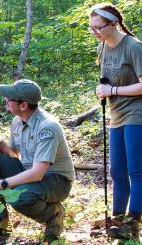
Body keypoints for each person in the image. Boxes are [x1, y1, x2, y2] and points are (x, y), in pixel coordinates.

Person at [0, 79, 74, 242]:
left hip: (56, 180)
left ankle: (54, 214)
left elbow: (37, 174)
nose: (6, 101)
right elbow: (15, 156)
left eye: (9, 99)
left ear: (23, 105)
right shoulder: (17, 121)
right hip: (30, 172)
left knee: (18, 197)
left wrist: (0, 184)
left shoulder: (47, 127)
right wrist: (3, 146)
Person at [91, 3, 142, 241]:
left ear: (113, 24)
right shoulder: (103, 47)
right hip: (116, 115)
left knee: (136, 171)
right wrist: (103, 90)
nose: (95, 32)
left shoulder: (133, 47)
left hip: (137, 113)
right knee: (117, 171)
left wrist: (113, 89)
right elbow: (106, 82)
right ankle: (117, 218)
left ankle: (133, 222)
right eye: (91, 28)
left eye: (99, 27)